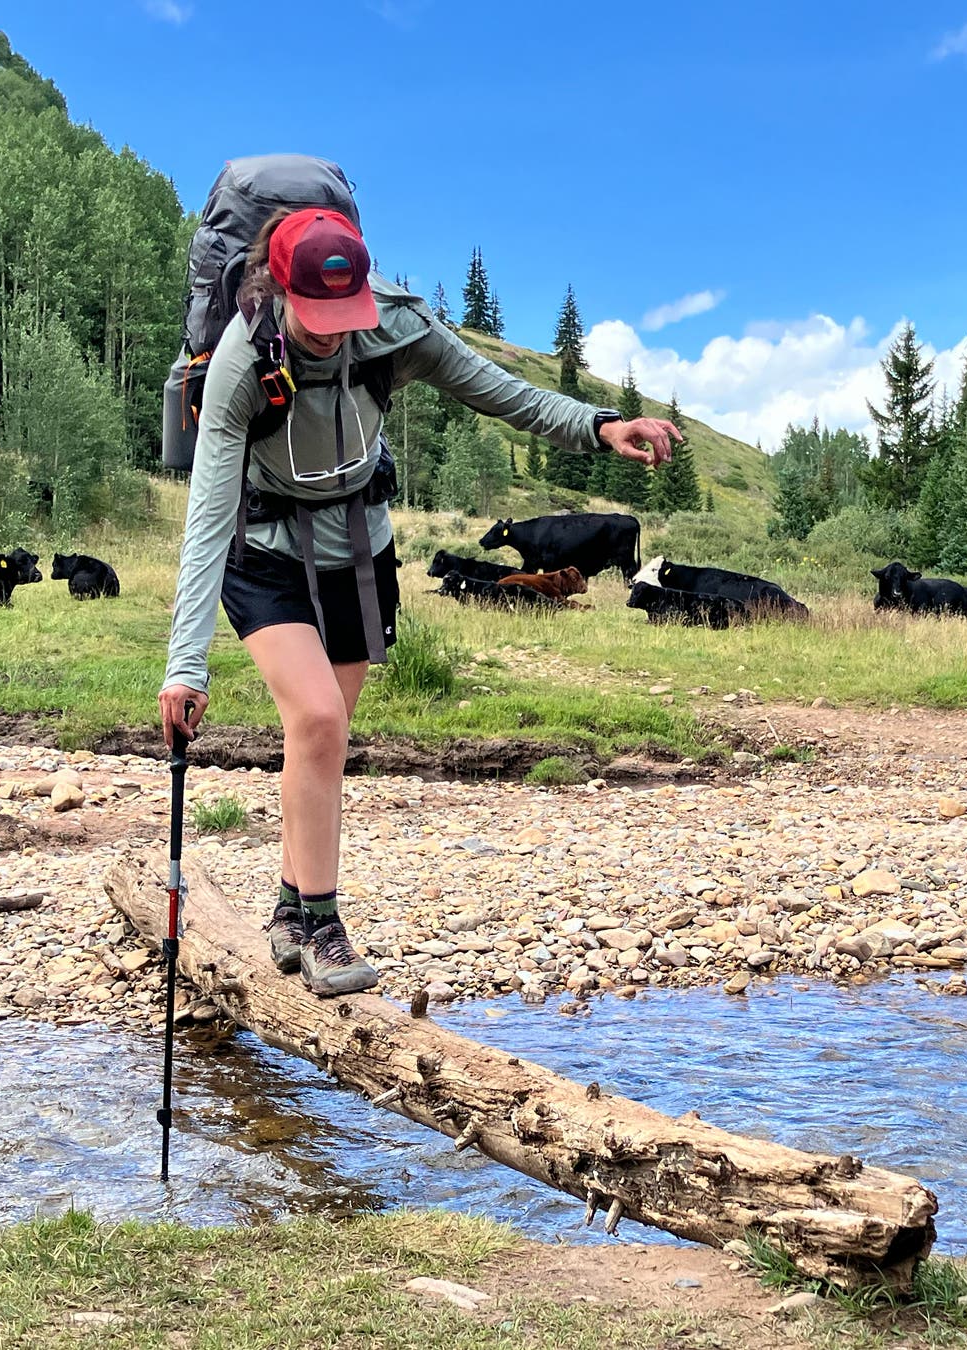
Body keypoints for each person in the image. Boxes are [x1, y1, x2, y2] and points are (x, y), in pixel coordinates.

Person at [159, 207, 680, 995]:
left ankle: (289, 911)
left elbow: (497, 390)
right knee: (319, 718)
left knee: (322, 739)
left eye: (347, 317)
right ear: (281, 291)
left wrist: (600, 425)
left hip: (358, 552)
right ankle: (327, 928)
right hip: (263, 552)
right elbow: (205, 520)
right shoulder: (241, 361)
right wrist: (185, 666)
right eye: (319, 318)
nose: (336, 333)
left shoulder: (390, 325)